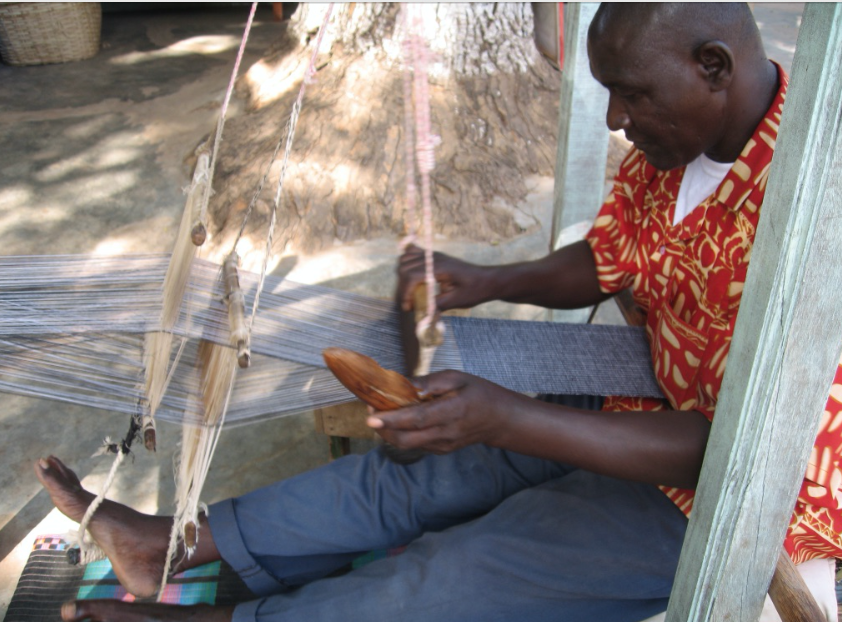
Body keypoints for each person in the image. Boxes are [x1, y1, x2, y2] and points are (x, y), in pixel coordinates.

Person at [34, 4, 841, 621]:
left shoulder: (817, 210)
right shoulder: (679, 144)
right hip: (644, 395)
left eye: (631, 96)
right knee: (414, 471)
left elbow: (737, 454)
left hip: (744, 496)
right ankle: (175, 547)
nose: (614, 121)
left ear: (712, 66)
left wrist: (509, 419)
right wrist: (483, 281)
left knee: (457, 573)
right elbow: (612, 257)